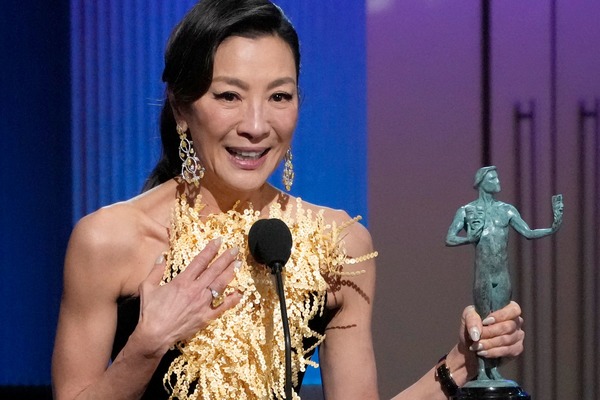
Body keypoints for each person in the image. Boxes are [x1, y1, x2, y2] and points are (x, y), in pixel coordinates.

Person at [52, 1, 525, 399]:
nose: (257, 125)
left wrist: (461, 365)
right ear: (181, 107)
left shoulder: (338, 245)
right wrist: (146, 347)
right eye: (228, 96)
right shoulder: (109, 241)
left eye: (279, 96)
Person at [445, 166, 562, 382]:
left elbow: (527, 232)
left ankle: (494, 369)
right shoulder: (467, 210)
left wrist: (552, 228)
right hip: (483, 274)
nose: (498, 181)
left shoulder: (507, 210)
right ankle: (481, 370)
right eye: (493, 177)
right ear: (481, 182)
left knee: (497, 321)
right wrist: (469, 239)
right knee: (482, 320)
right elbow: (450, 238)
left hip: (502, 274)